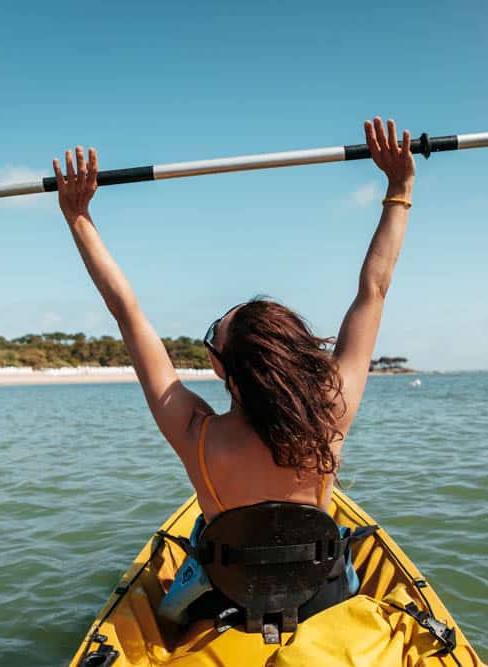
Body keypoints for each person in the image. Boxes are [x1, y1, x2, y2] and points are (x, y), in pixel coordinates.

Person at [54, 116, 414, 623]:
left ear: (225, 369)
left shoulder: (194, 434)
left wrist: (77, 217)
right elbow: (373, 289)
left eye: (212, 337)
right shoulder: (331, 411)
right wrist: (400, 187)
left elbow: (126, 311)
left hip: (226, 601)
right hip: (320, 600)